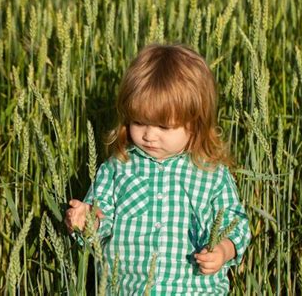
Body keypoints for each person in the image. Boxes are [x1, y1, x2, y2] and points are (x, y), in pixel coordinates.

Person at [65, 44, 251, 295]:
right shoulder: (117, 168)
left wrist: (223, 250)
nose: (150, 135)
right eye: (139, 122)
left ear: (195, 123)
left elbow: (237, 225)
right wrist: (85, 220)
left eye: (164, 127)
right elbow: (100, 221)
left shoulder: (212, 175)